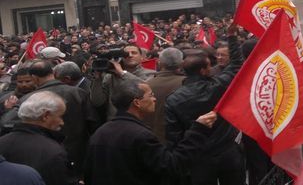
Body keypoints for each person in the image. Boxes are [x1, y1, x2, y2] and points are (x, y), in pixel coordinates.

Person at [84, 79, 218, 185]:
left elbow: (89, 174)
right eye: (151, 95)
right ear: (137, 102)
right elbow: (172, 166)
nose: (154, 99)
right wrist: (198, 130)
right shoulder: (141, 136)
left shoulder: (100, 132)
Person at [165, 24, 245, 185]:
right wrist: (232, 37)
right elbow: (237, 65)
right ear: (203, 70)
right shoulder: (217, 86)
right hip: (227, 151)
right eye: (210, 65)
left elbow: (174, 136)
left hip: (198, 156)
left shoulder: (173, 100)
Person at [16, 59, 96, 179]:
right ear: (53, 72)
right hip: (78, 155)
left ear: (34, 78)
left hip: (42, 157)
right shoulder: (78, 93)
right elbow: (93, 123)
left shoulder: (28, 99)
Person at [0, 91, 72, 185]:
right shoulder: (53, 151)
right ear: (46, 116)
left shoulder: (2, 141)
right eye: (60, 116)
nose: (62, 122)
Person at [90, 44, 154, 120]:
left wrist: (122, 73)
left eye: (134, 53)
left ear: (142, 57)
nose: (130, 55)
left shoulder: (151, 74)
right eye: (126, 54)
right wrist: (97, 79)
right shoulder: (110, 77)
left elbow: (144, 88)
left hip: (141, 122)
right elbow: (97, 102)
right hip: (115, 123)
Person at [146, 47, 185, 143]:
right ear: (182, 63)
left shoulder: (146, 85)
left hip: (150, 139)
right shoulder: (188, 84)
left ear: (159, 62)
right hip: (179, 142)